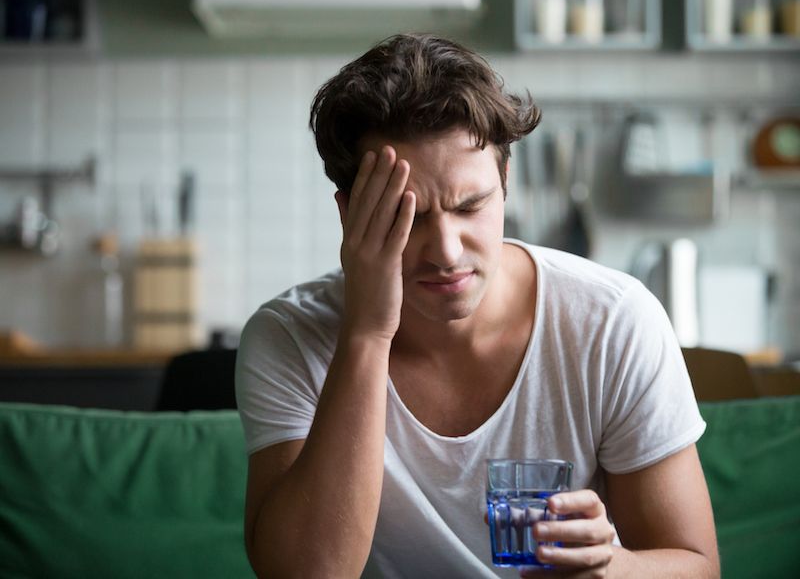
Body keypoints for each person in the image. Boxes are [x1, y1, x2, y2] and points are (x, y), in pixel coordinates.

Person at [235, 33, 719, 578]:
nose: (446, 250)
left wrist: (614, 569)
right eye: (409, 216)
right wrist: (367, 333)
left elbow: (697, 566)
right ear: (349, 216)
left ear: (505, 182)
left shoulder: (613, 321)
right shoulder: (289, 336)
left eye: (471, 205)